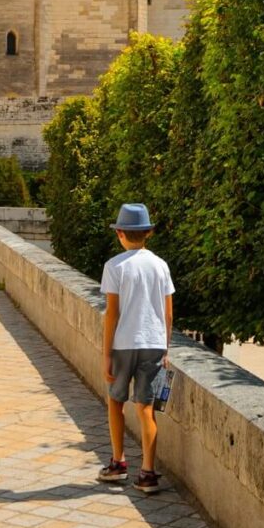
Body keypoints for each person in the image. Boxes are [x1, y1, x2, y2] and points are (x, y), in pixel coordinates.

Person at [98, 203, 174, 495]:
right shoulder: (161, 265)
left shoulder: (115, 266)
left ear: (119, 233)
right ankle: (148, 473)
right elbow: (168, 313)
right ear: (149, 233)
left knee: (116, 401)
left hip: (124, 343)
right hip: (154, 343)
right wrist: (165, 347)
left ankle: (118, 463)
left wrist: (106, 355)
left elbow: (112, 314)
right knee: (146, 409)